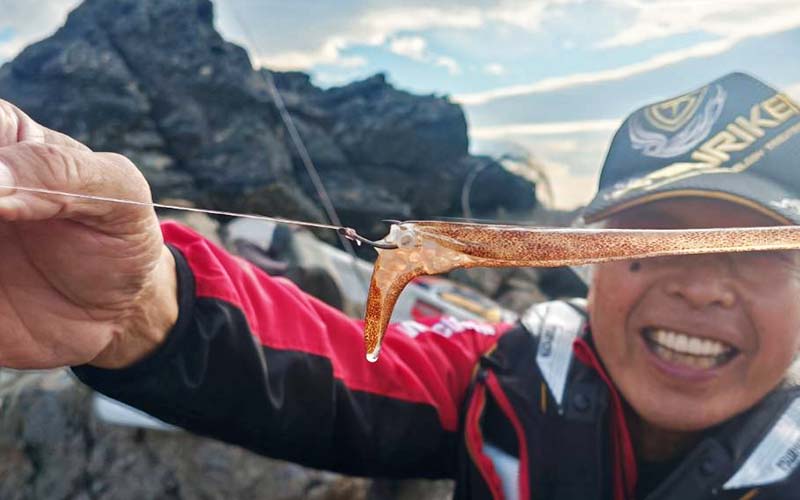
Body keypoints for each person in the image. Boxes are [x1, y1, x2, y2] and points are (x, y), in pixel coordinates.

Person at [0, 71, 798, 499]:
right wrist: (137, 304)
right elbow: (333, 366)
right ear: (591, 257)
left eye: (766, 252)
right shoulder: (504, 375)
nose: (703, 288)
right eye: (651, 240)